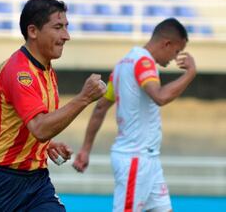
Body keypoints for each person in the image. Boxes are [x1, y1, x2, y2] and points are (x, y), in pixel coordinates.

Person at [0, 0, 107, 212]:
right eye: (58, 27)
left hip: (35, 182)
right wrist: (84, 97)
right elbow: (39, 127)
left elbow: (30, 126)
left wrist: (46, 144)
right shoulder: (20, 72)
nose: (66, 35)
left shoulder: (46, 70)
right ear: (33, 31)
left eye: (66, 27)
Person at [73, 18, 197, 212]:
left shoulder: (124, 63)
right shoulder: (144, 62)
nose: (174, 58)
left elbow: (100, 108)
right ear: (167, 43)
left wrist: (86, 149)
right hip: (135, 159)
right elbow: (160, 97)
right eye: (176, 52)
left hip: (147, 159)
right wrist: (190, 73)